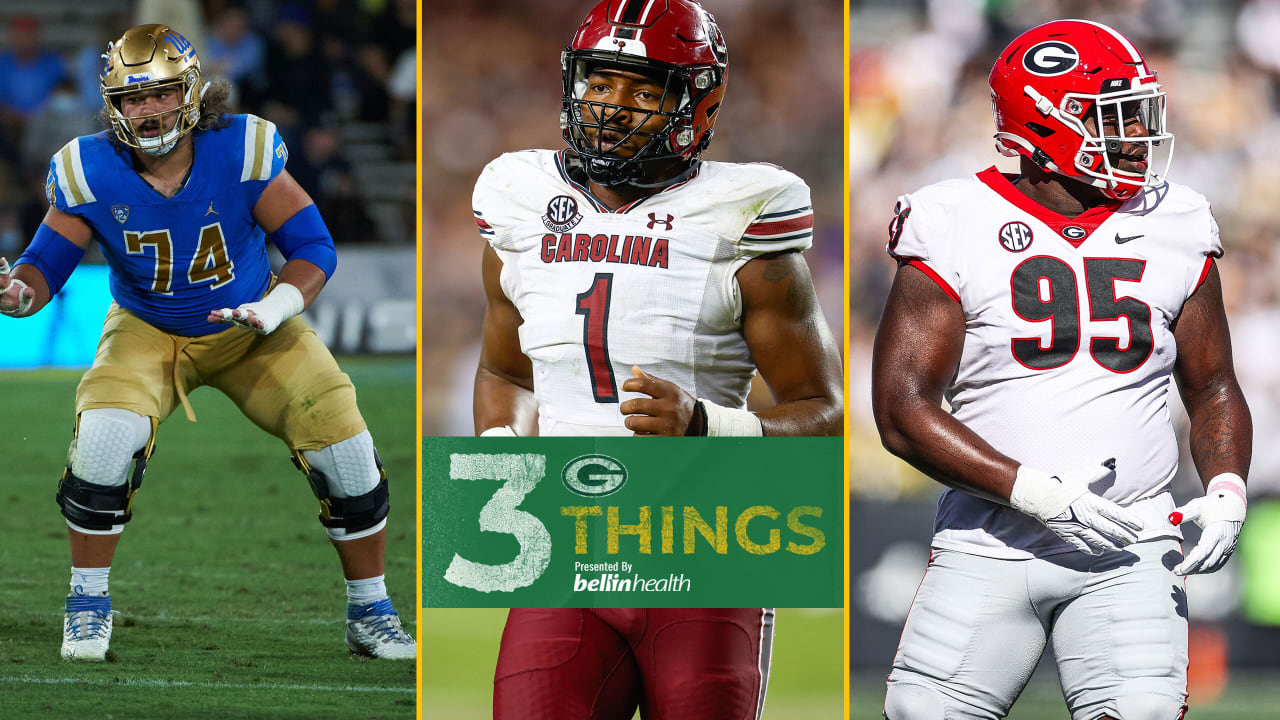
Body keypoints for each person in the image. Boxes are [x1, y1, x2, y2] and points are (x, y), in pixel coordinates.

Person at [470, 1, 842, 717]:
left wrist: (708, 424)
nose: (613, 107)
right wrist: (507, 467)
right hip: (571, 541)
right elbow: (505, 373)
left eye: (645, 90)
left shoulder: (742, 214)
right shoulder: (519, 199)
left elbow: (823, 415)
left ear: (695, 104)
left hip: (704, 544)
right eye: (600, 83)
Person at [872, 19, 1252, 720]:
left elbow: (1214, 385)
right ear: (1045, 126)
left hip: (1131, 542)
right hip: (987, 540)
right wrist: (1031, 490)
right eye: (1113, 116)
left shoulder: (1178, 219)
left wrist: (1227, 486)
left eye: (1138, 112)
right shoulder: (954, 217)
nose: (1136, 133)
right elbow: (901, 410)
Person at [0, 24, 414, 662]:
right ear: (112, 103)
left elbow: (312, 247)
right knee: (104, 443)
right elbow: (43, 269)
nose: (148, 109)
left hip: (252, 328)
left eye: (161, 94)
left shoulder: (240, 148)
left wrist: (272, 307)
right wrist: (16, 294)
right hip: (147, 329)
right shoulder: (87, 166)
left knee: (349, 452)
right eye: (132, 98)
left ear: (191, 91)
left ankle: (370, 612)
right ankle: (86, 605)